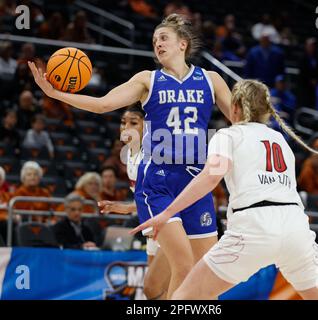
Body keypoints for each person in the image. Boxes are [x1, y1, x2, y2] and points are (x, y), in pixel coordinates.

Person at [29, 13, 232, 299]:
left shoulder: (210, 80)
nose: (157, 44)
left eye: (163, 38)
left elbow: (240, 118)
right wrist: (55, 93)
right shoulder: (148, 80)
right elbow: (102, 105)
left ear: (182, 44)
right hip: (159, 183)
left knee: (205, 274)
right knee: (184, 266)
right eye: (154, 41)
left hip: (196, 184)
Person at [131, 79, 318, 300]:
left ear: (235, 107)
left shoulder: (228, 135)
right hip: (295, 227)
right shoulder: (280, 139)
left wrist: (166, 213)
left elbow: (210, 178)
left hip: (253, 226)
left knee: (183, 299)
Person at [99, 104, 171, 299]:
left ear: (146, 126)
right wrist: (124, 207)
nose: (126, 127)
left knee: (164, 288)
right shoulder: (130, 154)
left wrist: (126, 208)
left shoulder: (155, 154)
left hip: (169, 225)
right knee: (155, 291)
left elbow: (169, 196)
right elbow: (146, 199)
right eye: (123, 122)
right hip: (151, 226)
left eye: (133, 122)